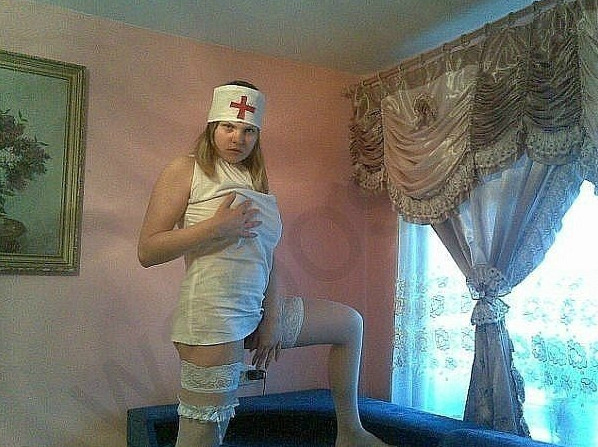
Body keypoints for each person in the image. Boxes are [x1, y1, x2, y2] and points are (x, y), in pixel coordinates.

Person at [137, 80, 392, 447]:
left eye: (248, 131)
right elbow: (148, 250)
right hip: (213, 316)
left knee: (349, 324)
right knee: (203, 437)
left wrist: (271, 319)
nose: (237, 138)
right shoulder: (186, 169)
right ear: (212, 127)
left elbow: (266, 256)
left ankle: (350, 433)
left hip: (257, 309)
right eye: (228, 127)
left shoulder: (256, 181)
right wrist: (215, 228)